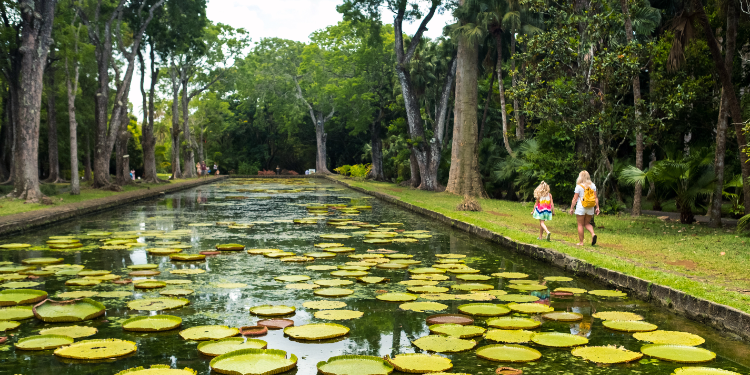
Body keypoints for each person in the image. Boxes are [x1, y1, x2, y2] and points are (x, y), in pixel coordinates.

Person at [568, 170, 600, 246]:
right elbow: (595, 198)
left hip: (581, 207)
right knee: (587, 223)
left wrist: (571, 208)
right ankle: (593, 234)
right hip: (590, 207)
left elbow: (575, 199)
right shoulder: (593, 185)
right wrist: (597, 207)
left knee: (580, 224)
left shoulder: (579, 186)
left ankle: (581, 242)